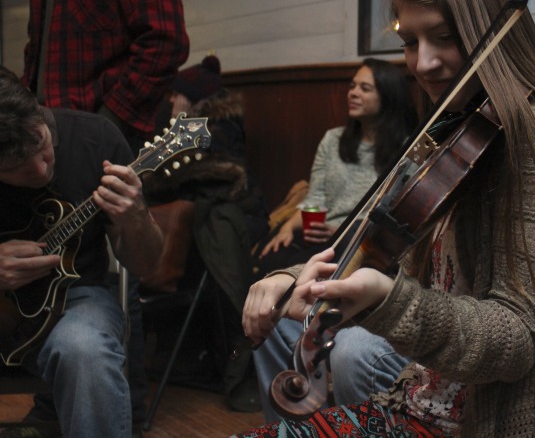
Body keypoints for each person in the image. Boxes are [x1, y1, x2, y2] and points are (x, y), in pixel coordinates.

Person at [236, 0, 535, 437]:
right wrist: (296, 277)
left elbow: (515, 340)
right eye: (409, 41)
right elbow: (379, 252)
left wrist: (389, 302)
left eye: (444, 37)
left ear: (495, 32)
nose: (422, 64)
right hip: (422, 405)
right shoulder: (460, 133)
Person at [251, 58, 419, 422]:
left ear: (387, 96)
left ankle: (318, 383)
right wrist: (289, 226)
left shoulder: (409, 147)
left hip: (366, 244)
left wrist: (345, 224)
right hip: (325, 237)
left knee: (321, 279)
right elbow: (315, 199)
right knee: (269, 270)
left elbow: (396, 213)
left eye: (365, 88)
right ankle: (292, 405)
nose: (353, 93)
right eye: (352, 86)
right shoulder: (333, 140)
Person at [0, 67, 163, 438]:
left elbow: (147, 265)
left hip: (76, 298)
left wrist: (136, 216)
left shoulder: (95, 138)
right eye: (17, 170)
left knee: (85, 350)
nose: (42, 169)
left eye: (42, 145)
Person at [141, 54, 270, 412]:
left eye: (176, 94)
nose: (170, 100)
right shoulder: (187, 130)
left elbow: (207, 183)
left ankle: (224, 363)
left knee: (206, 238)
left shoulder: (211, 132)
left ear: (193, 98)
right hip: (206, 222)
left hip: (237, 221)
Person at [21, 0, 190, 152]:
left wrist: (107, 124)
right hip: (46, 133)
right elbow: (39, 45)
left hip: (104, 140)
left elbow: (165, 43)